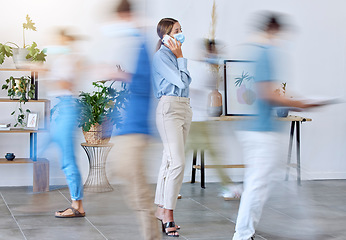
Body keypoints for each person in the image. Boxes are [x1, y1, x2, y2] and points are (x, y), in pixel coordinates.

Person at [232, 13, 322, 240]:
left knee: (269, 182)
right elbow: (267, 93)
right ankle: (242, 235)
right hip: (262, 132)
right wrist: (301, 103)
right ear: (273, 30)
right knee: (258, 185)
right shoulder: (265, 54)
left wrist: (296, 101)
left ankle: (302, 229)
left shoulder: (258, 52)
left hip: (261, 130)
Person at [103, 0, 160, 239]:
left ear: (125, 17)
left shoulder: (138, 44)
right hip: (129, 128)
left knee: (137, 192)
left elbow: (144, 83)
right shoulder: (131, 44)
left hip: (136, 129)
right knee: (124, 175)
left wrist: (119, 74)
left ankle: (154, 232)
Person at [152, 17, 192, 237]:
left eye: (181, 29)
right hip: (169, 108)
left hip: (184, 107)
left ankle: (160, 208)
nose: (181, 34)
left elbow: (185, 83)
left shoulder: (175, 57)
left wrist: (180, 58)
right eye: (177, 31)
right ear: (166, 36)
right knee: (177, 163)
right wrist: (180, 56)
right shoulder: (162, 57)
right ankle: (168, 214)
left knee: (169, 161)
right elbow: (183, 82)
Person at [41, 29, 85, 218]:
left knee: (68, 159)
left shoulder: (69, 60)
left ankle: (77, 206)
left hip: (67, 108)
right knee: (40, 150)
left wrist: (46, 73)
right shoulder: (62, 60)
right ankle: (38, 200)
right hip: (59, 109)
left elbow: (67, 85)